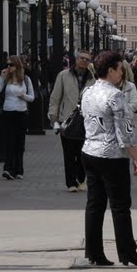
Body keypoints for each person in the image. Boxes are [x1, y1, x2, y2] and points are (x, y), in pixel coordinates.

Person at [80, 51, 137, 267]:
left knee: (94, 204)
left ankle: (94, 253)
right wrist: (136, 157)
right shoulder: (115, 95)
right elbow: (125, 132)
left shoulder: (88, 91)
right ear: (110, 70)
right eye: (120, 69)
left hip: (89, 151)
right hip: (112, 156)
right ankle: (128, 252)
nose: (123, 74)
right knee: (120, 206)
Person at [49, 51, 93, 191]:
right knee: (68, 153)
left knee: (84, 153)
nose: (84, 61)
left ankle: (80, 178)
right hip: (66, 120)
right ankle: (71, 183)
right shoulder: (63, 76)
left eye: (87, 59)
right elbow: (55, 98)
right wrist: (53, 117)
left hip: (86, 121)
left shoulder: (93, 78)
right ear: (76, 59)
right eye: (82, 58)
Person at [0, 55, 36, 180]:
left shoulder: (26, 80)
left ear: (17, 66)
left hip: (21, 113)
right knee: (9, 141)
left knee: (19, 142)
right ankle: (8, 169)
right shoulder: (6, 79)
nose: (8, 67)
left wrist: (23, 96)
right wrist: (1, 77)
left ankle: (19, 169)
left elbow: (32, 97)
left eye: (10, 65)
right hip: (8, 112)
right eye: (7, 65)